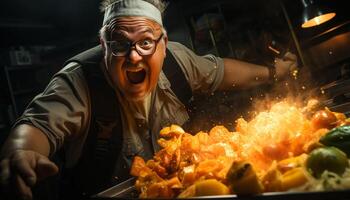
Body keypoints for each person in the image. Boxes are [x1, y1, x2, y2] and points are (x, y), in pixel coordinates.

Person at [0, 0, 298, 199]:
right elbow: (36, 125)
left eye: (145, 42)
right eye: (119, 44)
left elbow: (223, 71)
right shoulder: (79, 80)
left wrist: (274, 71)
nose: (133, 57)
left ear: (163, 45)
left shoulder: (178, 59)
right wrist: (20, 153)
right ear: (103, 45)